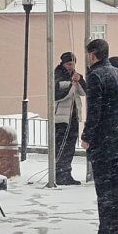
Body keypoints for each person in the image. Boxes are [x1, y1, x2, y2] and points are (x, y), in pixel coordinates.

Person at [79, 39, 118, 234]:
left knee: (104, 189)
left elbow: (95, 111)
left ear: (92, 55)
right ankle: (114, 232)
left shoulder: (96, 76)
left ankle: (105, 233)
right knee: (114, 189)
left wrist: (87, 136)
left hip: (104, 140)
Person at [53, 51, 86, 185]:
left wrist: (81, 80)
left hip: (72, 116)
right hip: (61, 117)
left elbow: (84, 92)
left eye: (72, 64)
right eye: (68, 64)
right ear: (63, 63)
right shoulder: (57, 76)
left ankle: (67, 172)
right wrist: (72, 85)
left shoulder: (75, 75)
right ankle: (59, 173)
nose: (71, 67)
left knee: (70, 146)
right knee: (61, 146)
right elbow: (58, 95)